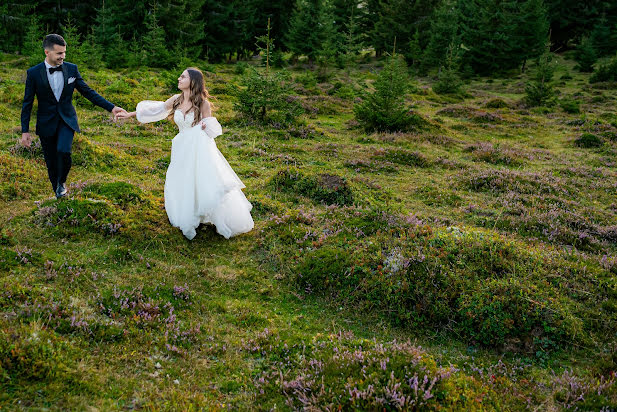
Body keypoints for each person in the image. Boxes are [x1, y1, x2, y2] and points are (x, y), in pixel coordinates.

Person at [116, 67, 254, 240]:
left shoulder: (202, 103)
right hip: (181, 145)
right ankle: (188, 212)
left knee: (200, 179)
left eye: (183, 77)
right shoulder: (176, 99)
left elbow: (212, 128)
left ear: (193, 81)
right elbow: (156, 110)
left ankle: (204, 212)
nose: (179, 79)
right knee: (181, 178)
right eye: (180, 76)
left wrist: (206, 126)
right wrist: (130, 114)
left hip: (198, 147)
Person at [20, 33, 128, 198]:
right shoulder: (34, 73)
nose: (63, 56)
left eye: (64, 52)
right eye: (59, 53)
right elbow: (27, 103)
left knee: (64, 151)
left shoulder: (71, 69)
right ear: (47, 52)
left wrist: (111, 107)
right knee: (50, 162)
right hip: (46, 123)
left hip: (66, 120)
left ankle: (62, 182)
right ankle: (58, 191)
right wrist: (25, 131)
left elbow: (88, 92)